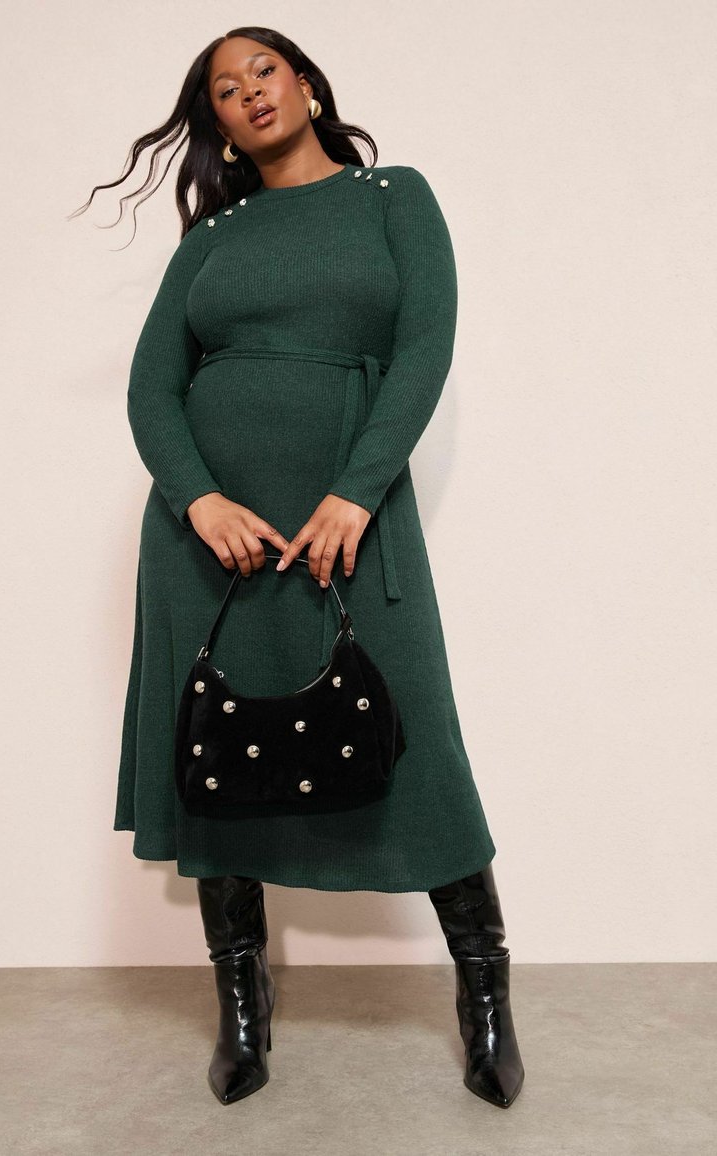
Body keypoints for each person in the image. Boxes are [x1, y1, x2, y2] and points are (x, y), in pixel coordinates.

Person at [79, 25, 525, 1108]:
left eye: (262, 71)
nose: (247, 94)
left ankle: (483, 991)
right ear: (221, 127)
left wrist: (356, 490)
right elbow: (151, 387)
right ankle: (242, 1003)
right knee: (217, 750)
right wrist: (198, 498)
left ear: (308, 85)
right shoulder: (213, 236)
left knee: (418, 738)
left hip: (348, 518)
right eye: (224, 91)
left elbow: (423, 349)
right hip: (210, 540)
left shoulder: (392, 198)